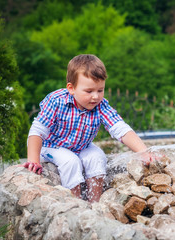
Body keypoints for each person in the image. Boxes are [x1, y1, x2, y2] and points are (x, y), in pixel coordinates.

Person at [23, 54, 152, 202]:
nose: (96, 97)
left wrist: (143, 151)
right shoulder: (57, 101)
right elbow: (37, 131)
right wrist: (34, 160)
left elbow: (120, 128)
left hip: (81, 146)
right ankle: (75, 203)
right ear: (71, 88)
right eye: (89, 91)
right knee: (70, 161)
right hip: (50, 146)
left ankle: (94, 203)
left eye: (100, 90)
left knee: (97, 157)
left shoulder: (101, 105)